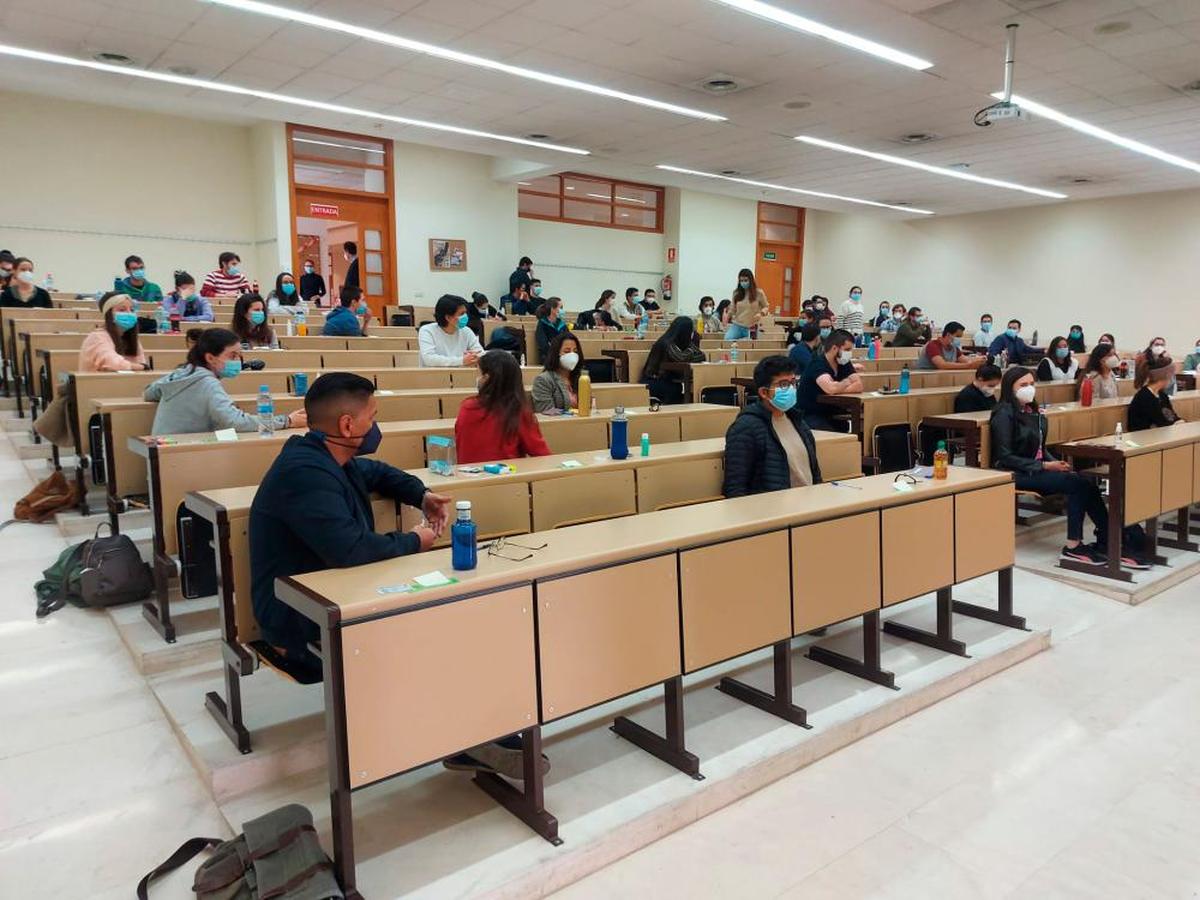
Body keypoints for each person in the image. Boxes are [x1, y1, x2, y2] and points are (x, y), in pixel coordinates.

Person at [249, 372, 448, 681]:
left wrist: (422, 496)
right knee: (426, 637)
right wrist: (413, 541)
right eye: (372, 417)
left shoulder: (333, 458)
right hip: (300, 620)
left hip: (335, 593)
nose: (375, 427)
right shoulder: (304, 472)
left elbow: (380, 473)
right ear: (347, 425)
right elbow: (350, 548)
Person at [990, 367, 1145, 568]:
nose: (1029, 389)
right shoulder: (1003, 413)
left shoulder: (1032, 411)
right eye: (1023, 385)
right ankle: (1073, 546)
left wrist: (1056, 462)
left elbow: (1039, 448)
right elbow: (1005, 456)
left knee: (1086, 481)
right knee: (1076, 484)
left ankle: (1109, 537)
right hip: (1013, 472)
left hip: (1034, 468)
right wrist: (1046, 465)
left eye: (1031, 384)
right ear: (1010, 388)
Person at [144, 328, 305, 435]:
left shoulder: (183, 372)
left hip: (164, 447)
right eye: (232, 356)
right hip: (178, 455)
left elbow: (149, 392)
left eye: (239, 356)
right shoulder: (207, 382)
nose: (238, 361)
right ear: (210, 358)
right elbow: (234, 422)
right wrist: (286, 421)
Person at [723, 355, 824, 497]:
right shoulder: (746, 428)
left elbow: (815, 474)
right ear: (763, 392)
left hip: (808, 505)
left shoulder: (799, 422)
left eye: (793, 383)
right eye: (783, 384)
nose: (791, 389)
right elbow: (735, 488)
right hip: (772, 510)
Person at [455, 349, 552, 463]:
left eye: (478, 373)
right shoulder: (517, 411)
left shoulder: (467, 407)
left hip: (468, 476)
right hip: (508, 478)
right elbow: (541, 453)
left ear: (486, 378)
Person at [798, 328, 863, 431]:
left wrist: (838, 387)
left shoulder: (844, 362)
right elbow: (831, 389)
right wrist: (847, 382)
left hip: (832, 413)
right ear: (834, 348)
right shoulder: (817, 363)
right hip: (810, 415)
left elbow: (859, 385)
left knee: (858, 429)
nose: (849, 353)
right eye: (847, 350)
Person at [78, 292, 148, 372]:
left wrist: (141, 367)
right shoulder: (96, 337)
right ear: (109, 314)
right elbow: (112, 364)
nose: (129, 313)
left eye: (132, 310)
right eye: (122, 310)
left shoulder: (131, 338)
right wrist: (142, 367)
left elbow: (141, 365)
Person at [642, 316, 704, 405]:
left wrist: (690, 347)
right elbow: (680, 359)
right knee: (676, 388)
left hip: (668, 380)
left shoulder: (682, 343)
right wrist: (691, 349)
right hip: (654, 381)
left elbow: (701, 356)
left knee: (686, 388)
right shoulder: (667, 343)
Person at [418, 294, 484, 367]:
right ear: (448, 317)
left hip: (459, 375)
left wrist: (475, 357)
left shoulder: (466, 331)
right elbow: (429, 359)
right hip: (433, 376)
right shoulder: (427, 331)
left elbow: (480, 353)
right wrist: (461, 360)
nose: (466, 316)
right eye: (462, 314)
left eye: (465, 313)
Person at [532, 331, 584, 414]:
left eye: (575, 351)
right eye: (567, 351)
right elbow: (546, 411)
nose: (572, 355)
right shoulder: (543, 380)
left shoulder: (581, 378)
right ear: (556, 353)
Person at [1129, 356, 1181, 431]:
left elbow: (1171, 416)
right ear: (1165, 375)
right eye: (1172, 375)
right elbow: (1160, 422)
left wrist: (1180, 421)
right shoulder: (1144, 397)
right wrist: (1176, 424)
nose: (1173, 378)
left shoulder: (1162, 394)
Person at [917, 322, 984, 370]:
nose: (959, 339)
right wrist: (969, 365)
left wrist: (980, 360)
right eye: (957, 336)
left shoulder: (954, 348)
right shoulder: (932, 345)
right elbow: (942, 365)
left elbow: (966, 360)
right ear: (948, 335)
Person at [726, 268, 768, 341]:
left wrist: (761, 313)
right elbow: (732, 308)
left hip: (752, 326)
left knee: (750, 344)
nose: (743, 283)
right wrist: (727, 316)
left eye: (745, 280)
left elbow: (766, 307)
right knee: (727, 339)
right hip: (737, 325)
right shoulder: (736, 293)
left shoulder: (759, 293)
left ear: (751, 280)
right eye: (741, 281)